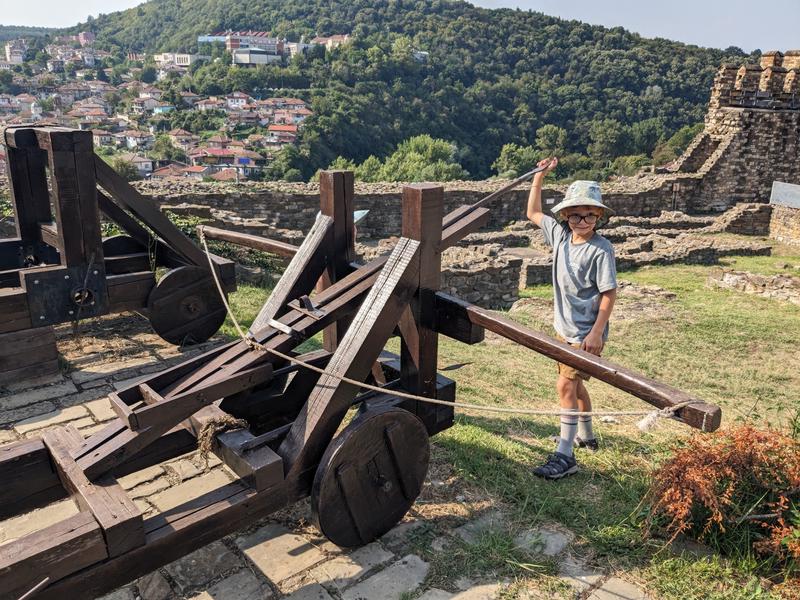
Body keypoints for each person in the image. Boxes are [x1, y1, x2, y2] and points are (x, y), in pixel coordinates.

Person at [525, 157, 618, 479]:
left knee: (565, 385)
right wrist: (539, 177)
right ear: (565, 215)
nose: (583, 220)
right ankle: (585, 436)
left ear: (599, 216)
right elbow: (533, 213)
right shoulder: (560, 236)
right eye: (576, 214)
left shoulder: (600, 249)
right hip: (565, 329)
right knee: (575, 387)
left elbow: (608, 293)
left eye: (590, 215)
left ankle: (565, 456)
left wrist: (595, 334)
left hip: (585, 333)